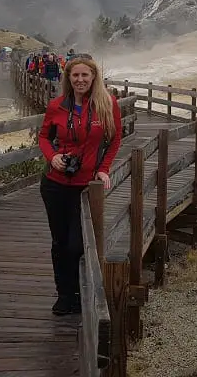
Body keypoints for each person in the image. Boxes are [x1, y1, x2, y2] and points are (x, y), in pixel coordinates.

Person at [38, 56, 122, 315]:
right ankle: (65, 295)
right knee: (59, 242)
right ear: (68, 78)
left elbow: (116, 138)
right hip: (55, 184)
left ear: (94, 77)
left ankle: (79, 291)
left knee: (76, 244)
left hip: (85, 186)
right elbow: (43, 137)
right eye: (75, 76)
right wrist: (52, 157)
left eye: (85, 75)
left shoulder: (107, 104)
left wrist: (104, 168)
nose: (80, 80)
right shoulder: (56, 106)